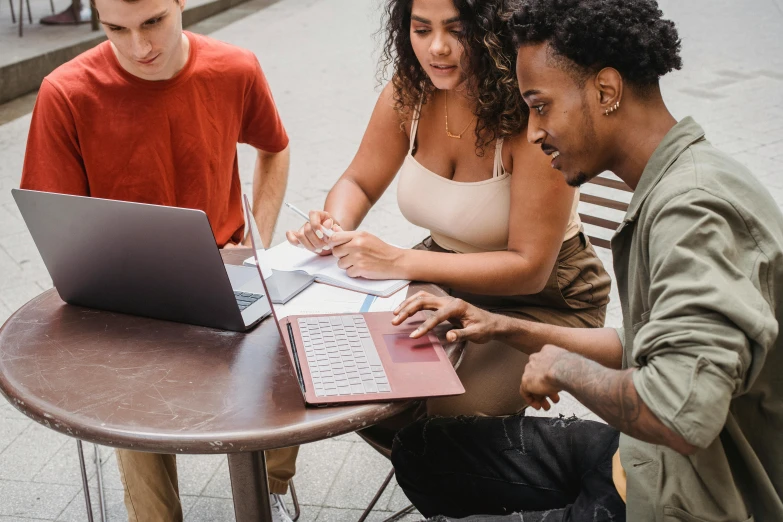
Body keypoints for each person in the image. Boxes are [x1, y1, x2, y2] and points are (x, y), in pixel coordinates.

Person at [389, 0, 783, 520]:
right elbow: (642, 349)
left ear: (606, 91)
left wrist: (566, 368)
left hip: (677, 502)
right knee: (422, 452)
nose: (531, 131)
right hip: (633, 459)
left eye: (541, 105)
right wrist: (501, 326)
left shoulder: (696, 213)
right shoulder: (671, 183)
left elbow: (681, 413)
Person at [19, 0, 298, 519]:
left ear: (180, 4)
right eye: (115, 30)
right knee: (132, 405)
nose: (138, 47)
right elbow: (56, 219)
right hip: (125, 292)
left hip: (225, 269)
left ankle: (271, 489)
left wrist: (258, 243)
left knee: (296, 354)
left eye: (153, 22)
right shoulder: (66, 91)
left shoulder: (234, 67)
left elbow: (274, 147)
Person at [286, 0, 610, 427]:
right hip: (441, 281)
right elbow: (358, 183)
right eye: (422, 31)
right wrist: (333, 225)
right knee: (322, 361)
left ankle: (478, 475)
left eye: (456, 30)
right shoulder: (409, 93)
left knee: (445, 415)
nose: (437, 48)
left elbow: (530, 267)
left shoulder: (530, 115)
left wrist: (397, 260)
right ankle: (435, 475)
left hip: (546, 302)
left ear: (493, 31)